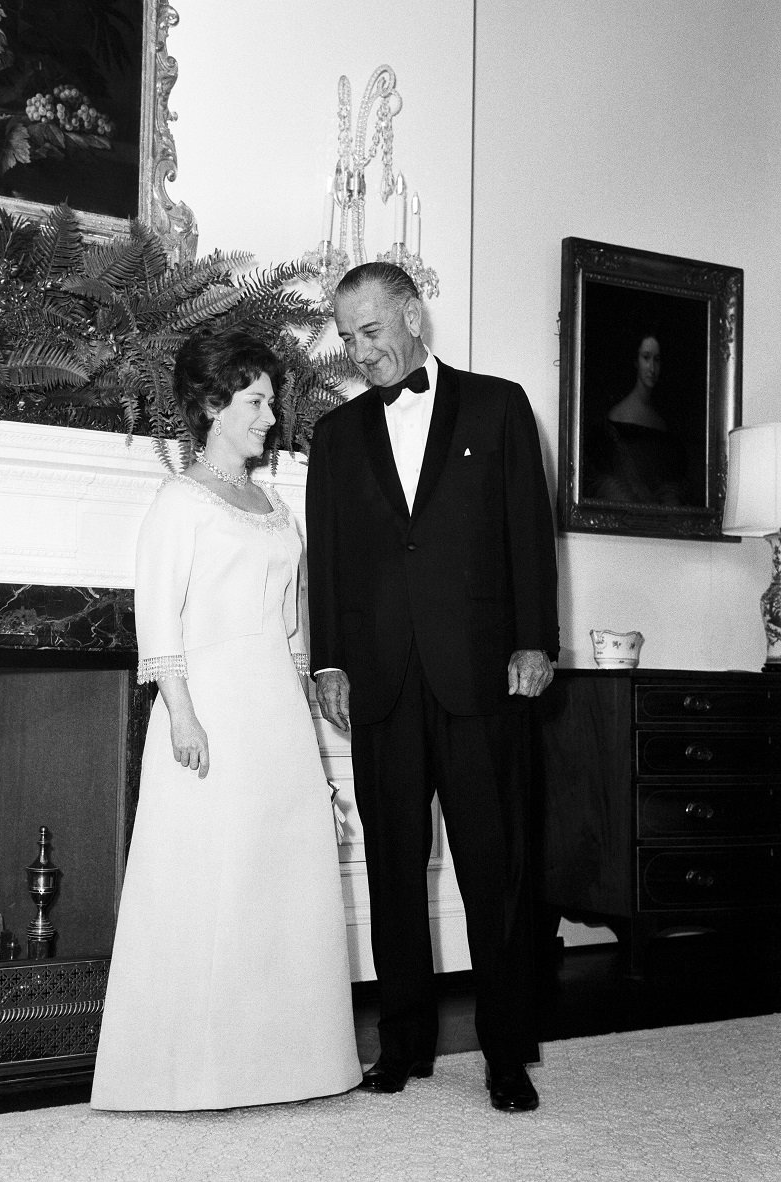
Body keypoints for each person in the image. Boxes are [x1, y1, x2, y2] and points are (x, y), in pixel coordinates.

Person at [305, 262, 559, 1113]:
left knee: (495, 867)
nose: (360, 353)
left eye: (371, 332)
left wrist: (536, 640)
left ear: (413, 316)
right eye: (347, 339)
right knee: (392, 865)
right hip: (379, 679)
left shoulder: (499, 405)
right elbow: (330, 560)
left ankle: (505, 1051)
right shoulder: (336, 436)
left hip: (482, 670)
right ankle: (403, 1042)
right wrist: (329, 659)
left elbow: (529, 527)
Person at [90, 327, 362, 1111]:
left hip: (274, 708)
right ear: (212, 405)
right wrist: (181, 716)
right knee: (214, 883)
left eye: (271, 401)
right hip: (207, 710)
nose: (270, 417)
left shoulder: (271, 501)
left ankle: (292, 1065)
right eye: (255, 401)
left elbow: (289, 620)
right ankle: (193, 1073)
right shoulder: (180, 503)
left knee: (279, 879)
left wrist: (306, 705)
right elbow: (158, 616)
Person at [584, 330, 689, 505]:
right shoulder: (619, 416)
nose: (652, 368)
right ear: (636, 361)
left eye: (657, 359)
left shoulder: (662, 419)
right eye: (646, 358)